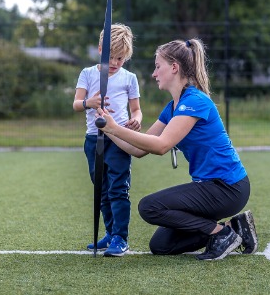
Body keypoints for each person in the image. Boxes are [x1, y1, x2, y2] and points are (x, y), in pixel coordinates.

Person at [97, 38, 258, 260]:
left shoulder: (195, 101)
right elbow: (138, 148)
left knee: (149, 207)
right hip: (209, 187)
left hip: (227, 188)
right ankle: (236, 228)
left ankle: (222, 233)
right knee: (161, 245)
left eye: (157, 66)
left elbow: (161, 146)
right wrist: (108, 128)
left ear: (174, 68)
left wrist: (115, 128)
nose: (154, 74)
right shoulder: (173, 107)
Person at [73, 23, 142, 256]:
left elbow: (137, 110)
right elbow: (76, 104)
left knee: (118, 189)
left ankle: (121, 238)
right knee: (101, 189)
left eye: (120, 58)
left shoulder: (129, 78)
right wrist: (88, 104)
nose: (114, 63)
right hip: (93, 139)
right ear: (99, 48)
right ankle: (111, 233)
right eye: (110, 56)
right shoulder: (88, 74)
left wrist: (136, 120)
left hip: (118, 139)